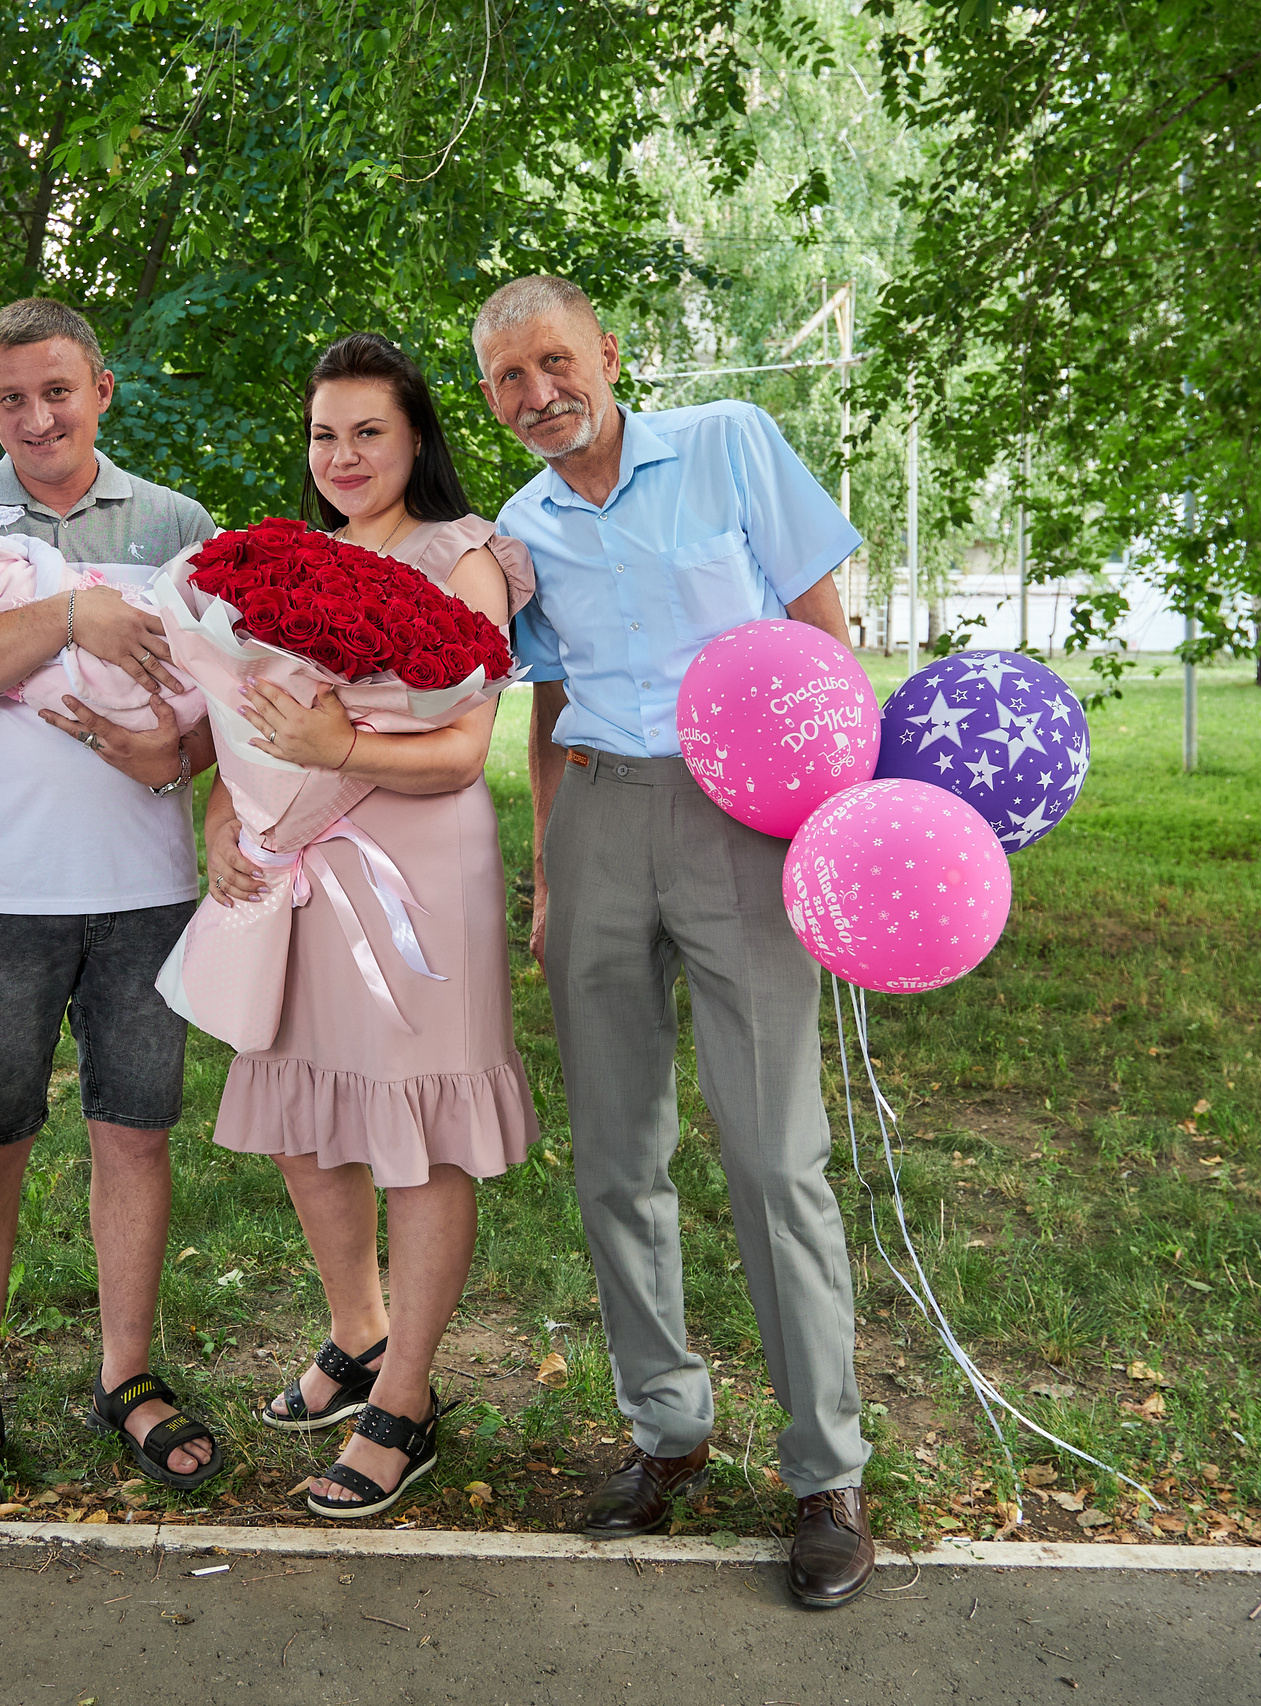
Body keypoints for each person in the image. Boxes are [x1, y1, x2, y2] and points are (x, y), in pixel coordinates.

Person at [474, 275, 878, 1606]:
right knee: (614, 1156)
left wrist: (845, 818)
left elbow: (824, 630)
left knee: (772, 1153)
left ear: (609, 355)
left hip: (745, 822)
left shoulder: (728, 442)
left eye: (554, 362)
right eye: (508, 380)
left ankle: (826, 1469)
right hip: (598, 816)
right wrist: (547, 871)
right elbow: (544, 705)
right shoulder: (521, 530)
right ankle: (669, 1430)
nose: (537, 393)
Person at [0, 298, 225, 1512]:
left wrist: (175, 764)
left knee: (135, 1133)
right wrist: (69, 614)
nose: (36, 417)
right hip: (0, 895)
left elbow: (219, 700)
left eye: (57, 392)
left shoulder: (180, 524)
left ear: (103, 388)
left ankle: (126, 1374)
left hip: (145, 889)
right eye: (11, 398)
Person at [205, 332, 541, 1518]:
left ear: (415, 439)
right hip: (302, 864)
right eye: (323, 434)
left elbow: (459, 751)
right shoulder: (291, 566)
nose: (341, 455)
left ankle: (404, 1401)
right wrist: (219, 814)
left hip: (420, 875)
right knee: (306, 1107)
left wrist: (337, 746)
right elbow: (244, 725)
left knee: (419, 1128)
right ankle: (356, 1328)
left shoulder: (467, 556)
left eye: (367, 432)